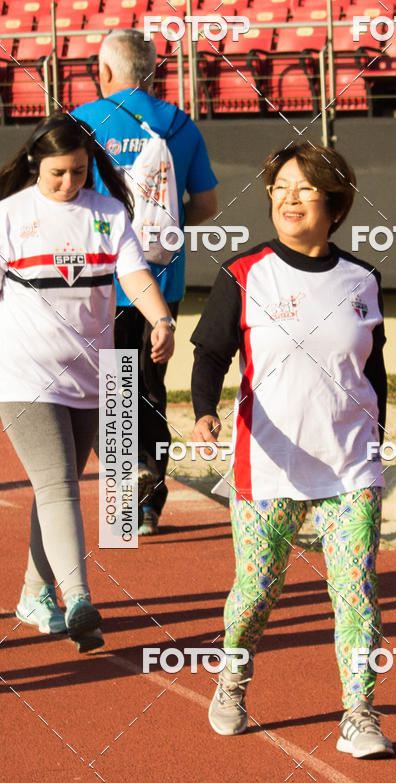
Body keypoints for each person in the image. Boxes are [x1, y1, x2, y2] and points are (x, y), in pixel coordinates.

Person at [190, 142, 393, 758]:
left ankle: (359, 712)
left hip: (351, 465)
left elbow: (373, 366)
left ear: (334, 204)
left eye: (303, 188)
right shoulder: (245, 273)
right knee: (256, 592)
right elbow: (211, 354)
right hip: (268, 465)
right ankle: (232, 678)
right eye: (279, 187)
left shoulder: (362, 279)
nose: (287, 198)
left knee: (356, 591)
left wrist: (378, 431)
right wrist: (204, 410)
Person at [0, 113, 174, 651]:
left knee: (58, 488)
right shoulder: (8, 215)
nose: (68, 183)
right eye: (57, 174)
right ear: (35, 164)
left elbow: (133, 274)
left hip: (92, 376)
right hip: (24, 374)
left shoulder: (108, 213)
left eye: (78, 172)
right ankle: (79, 599)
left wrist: (161, 319)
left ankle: (34, 593)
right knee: (59, 486)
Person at [74, 28, 218, 536]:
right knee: (151, 388)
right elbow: (205, 206)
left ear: (105, 71)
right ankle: (150, 502)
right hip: (162, 278)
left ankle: (120, 503)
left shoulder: (82, 123)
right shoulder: (182, 125)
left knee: (112, 390)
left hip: (98, 279)